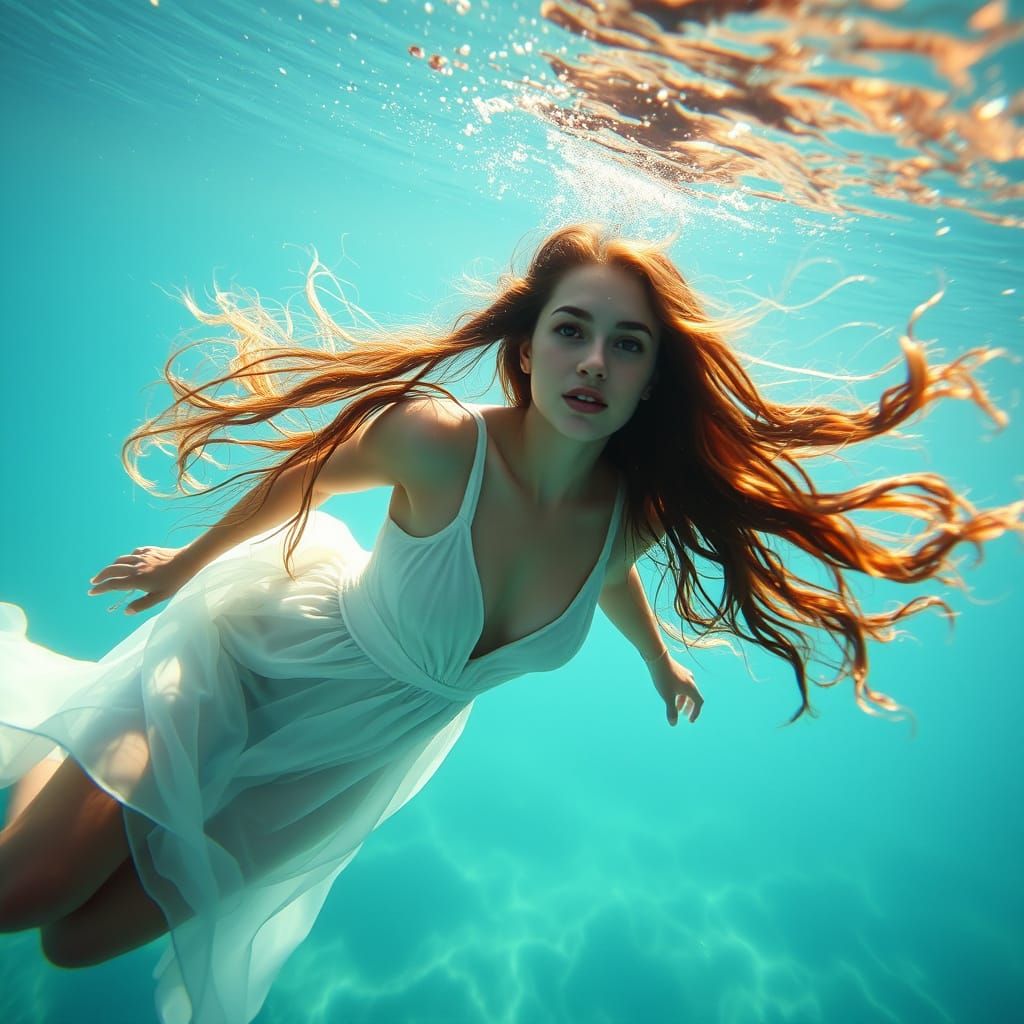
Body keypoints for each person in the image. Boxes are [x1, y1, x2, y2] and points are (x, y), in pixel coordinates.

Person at [0, 223, 1019, 1023]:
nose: (593, 363)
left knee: (75, 942)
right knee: (28, 889)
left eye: (627, 345)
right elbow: (305, 473)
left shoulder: (634, 517)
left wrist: (662, 665)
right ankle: (92, 746)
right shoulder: (437, 444)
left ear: (652, 377)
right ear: (526, 349)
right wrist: (186, 562)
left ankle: (75, 775)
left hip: (351, 761)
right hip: (259, 662)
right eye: (572, 330)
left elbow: (607, 578)